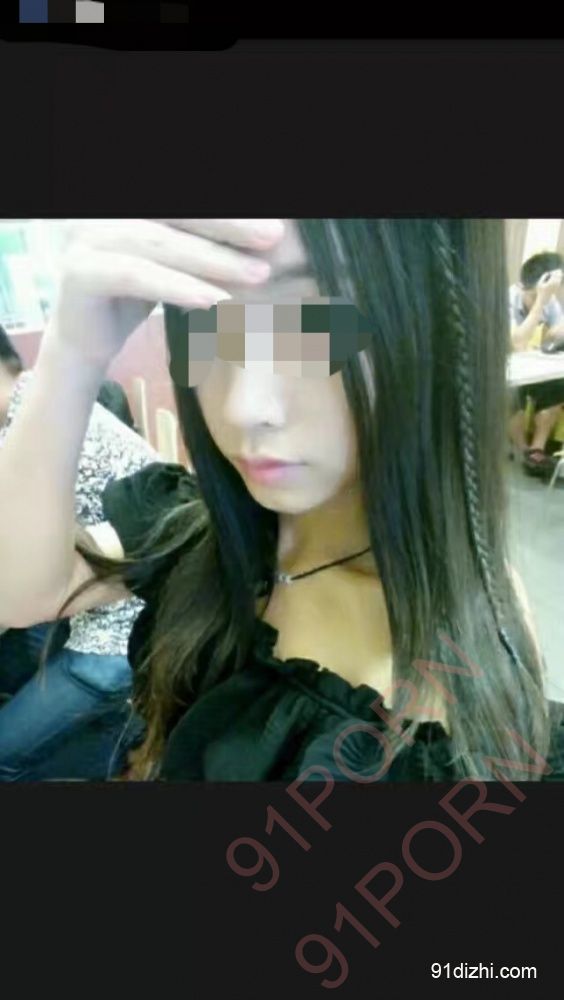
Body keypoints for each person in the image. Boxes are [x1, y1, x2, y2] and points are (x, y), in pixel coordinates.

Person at [0, 218, 562, 784]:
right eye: (208, 328)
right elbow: (18, 593)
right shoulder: (199, 533)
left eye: (313, 327)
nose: (244, 405)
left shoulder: (450, 674)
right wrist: (71, 353)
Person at [0, 324, 159, 780]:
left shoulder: (36, 435)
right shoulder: (34, 406)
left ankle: (123, 736)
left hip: (124, 636)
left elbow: (18, 590)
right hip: (97, 604)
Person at [508, 252, 564, 476]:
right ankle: (522, 450)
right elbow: (517, 342)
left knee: (556, 386)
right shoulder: (507, 299)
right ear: (521, 286)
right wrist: (540, 300)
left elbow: (552, 335)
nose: (544, 301)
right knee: (511, 393)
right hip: (500, 370)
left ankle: (536, 450)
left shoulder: (549, 300)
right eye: (533, 296)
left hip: (527, 367)